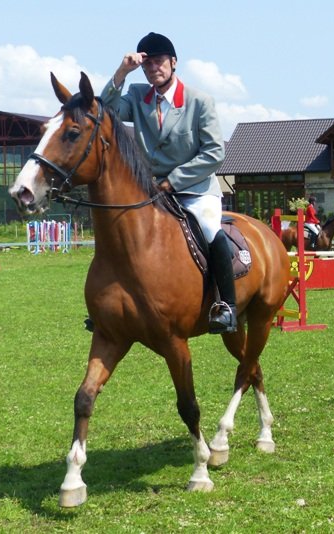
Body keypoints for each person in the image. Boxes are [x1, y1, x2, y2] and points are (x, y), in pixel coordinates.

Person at [100, 32, 235, 334]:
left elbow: (214, 153)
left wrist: (173, 181)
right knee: (121, 231)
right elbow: (105, 112)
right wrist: (122, 72)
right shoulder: (137, 96)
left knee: (210, 230)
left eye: (159, 62)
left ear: (173, 62)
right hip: (150, 191)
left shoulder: (199, 101)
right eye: (147, 64)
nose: (153, 69)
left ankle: (226, 305)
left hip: (195, 189)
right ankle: (108, 305)